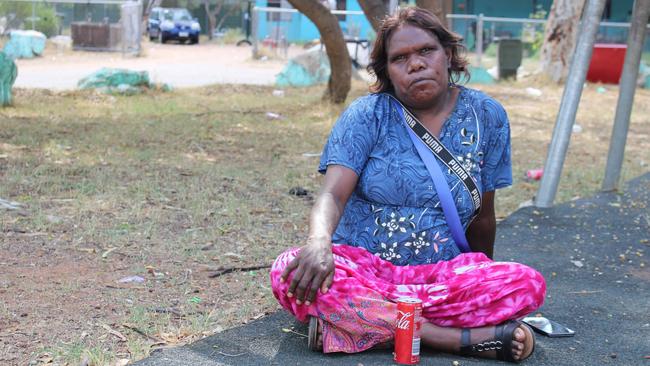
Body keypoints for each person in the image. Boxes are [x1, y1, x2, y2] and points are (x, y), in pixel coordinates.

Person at [270, 7, 546, 363]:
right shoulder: (367, 115)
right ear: (388, 71)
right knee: (288, 268)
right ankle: (445, 337)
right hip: (364, 271)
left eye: (426, 51)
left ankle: (359, 328)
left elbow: (483, 216)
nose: (416, 64)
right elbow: (333, 195)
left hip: (438, 279)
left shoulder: (486, 115)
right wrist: (320, 242)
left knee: (526, 283)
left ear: (447, 54)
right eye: (400, 58)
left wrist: (482, 279)